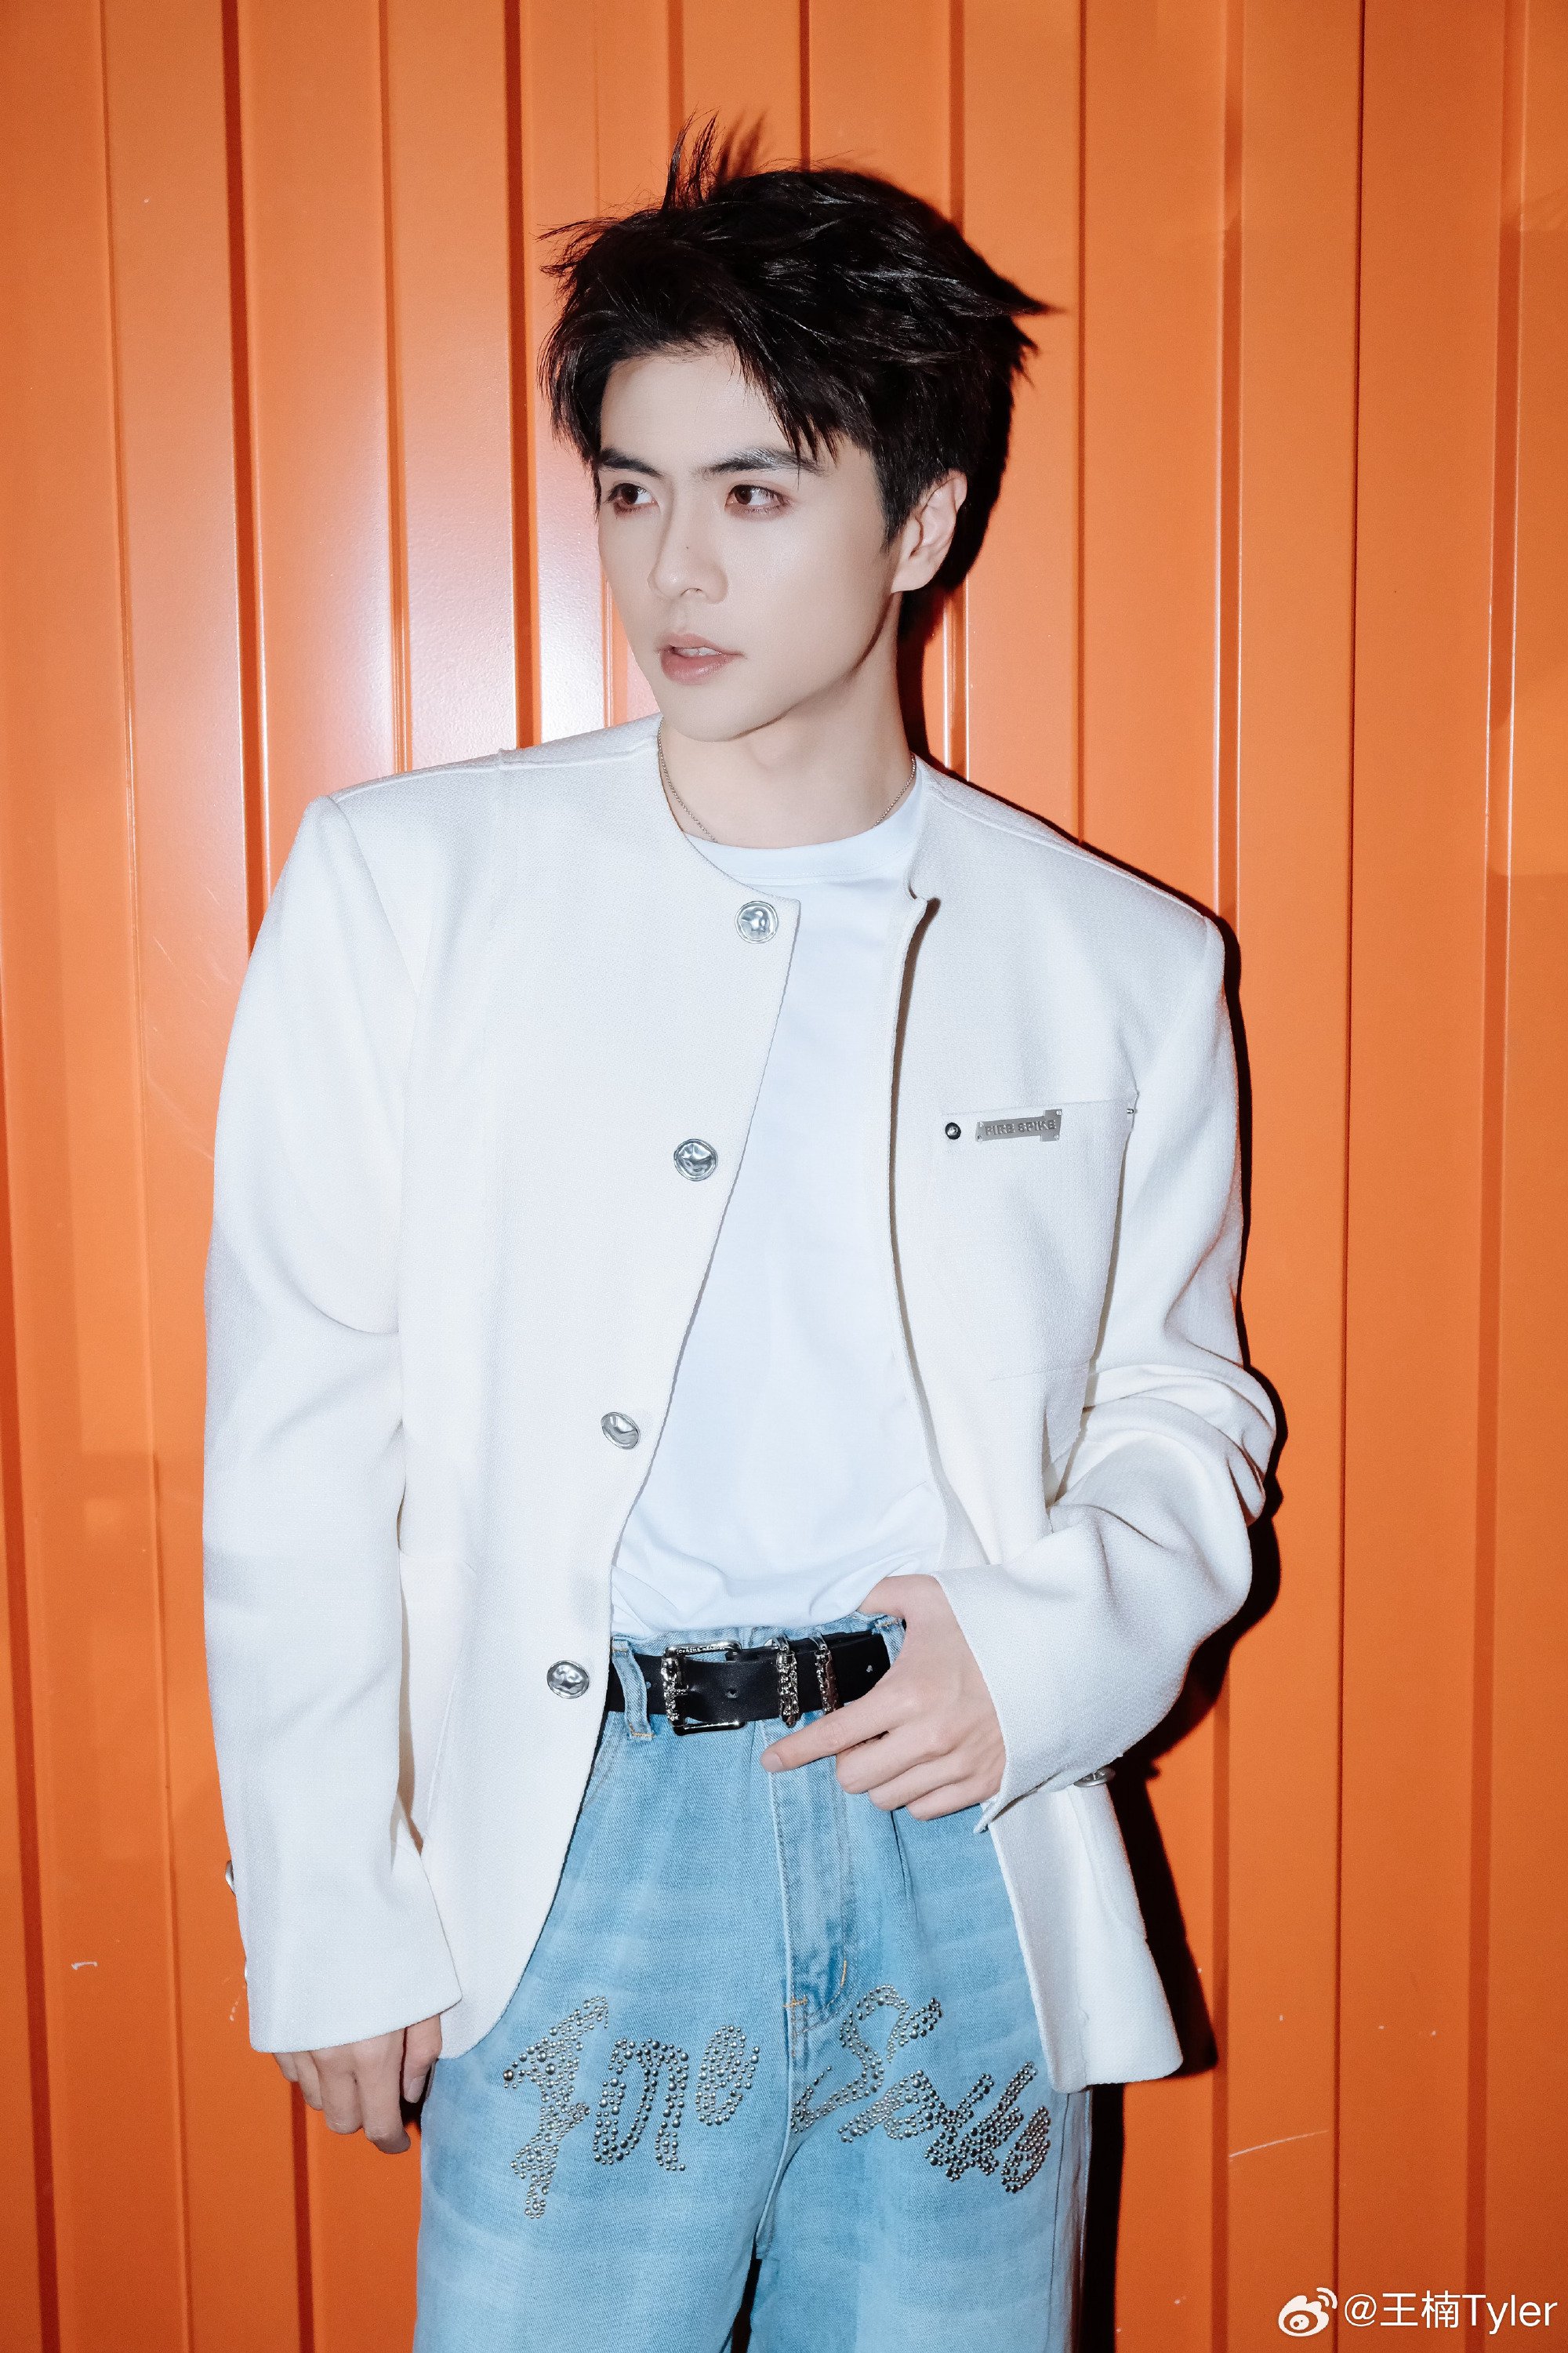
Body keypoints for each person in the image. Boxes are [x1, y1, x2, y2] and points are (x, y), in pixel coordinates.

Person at [202, 121, 1275, 2351]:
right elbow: (300, 1419)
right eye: (631, 489)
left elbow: (1187, 1410)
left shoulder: (1119, 962)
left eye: (757, 493)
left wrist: (1049, 1650)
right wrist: (330, 1906)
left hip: (960, 1823)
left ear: (926, 521)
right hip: (575, 1837)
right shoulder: (413, 891)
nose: (673, 565)